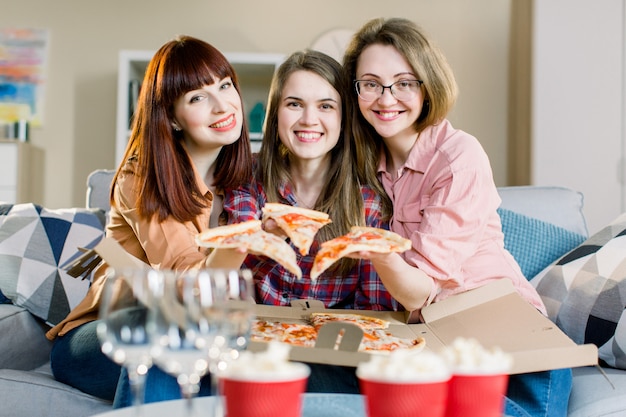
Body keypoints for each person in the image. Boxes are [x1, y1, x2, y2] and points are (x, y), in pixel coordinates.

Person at [114, 49, 400, 407]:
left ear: (344, 118)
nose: (309, 119)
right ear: (275, 114)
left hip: (328, 354)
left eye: (326, 106)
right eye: (294, 104)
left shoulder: (370, 204)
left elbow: (376, 319)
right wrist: (256, 239)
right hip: (246, 346)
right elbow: (224, 288)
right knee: (172, 346)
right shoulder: (244, 182)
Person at [341, 17, 572, 417]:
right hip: (439, 346)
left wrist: (378, 251)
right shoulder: (370, 168)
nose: (386, 97)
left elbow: (418, 292)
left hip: (517, 355)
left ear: (428, 86)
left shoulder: (458, 156)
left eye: (404, 82)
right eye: (371, 83)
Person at [45, 35, 253, 402]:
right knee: (168, 333)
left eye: (224, 85)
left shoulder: (243, 184)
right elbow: (184, 277)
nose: (223, 106)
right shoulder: (140, 178)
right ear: (172, 118)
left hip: (194, 333)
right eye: (198, 97)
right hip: (103, 336)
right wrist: (248, 241)